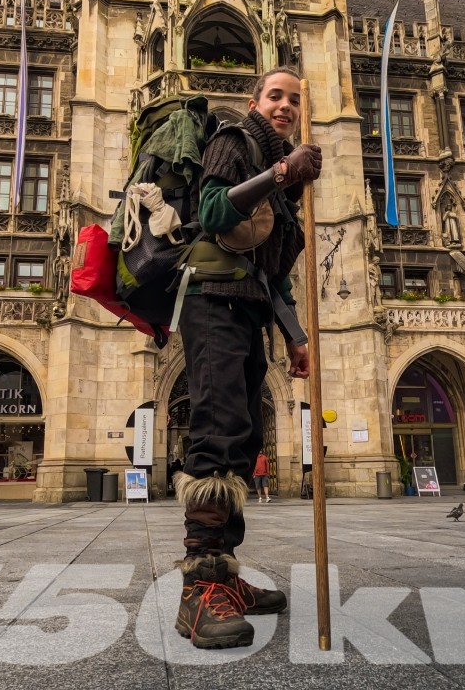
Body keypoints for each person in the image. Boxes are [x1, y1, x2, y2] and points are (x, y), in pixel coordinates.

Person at [172, 67, 317, 650]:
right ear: (254, 101)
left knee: (244, 437)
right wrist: (280, 171)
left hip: (249, 308)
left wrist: (296, 335)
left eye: (294, 100)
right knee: (216, 431)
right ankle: (199, 592)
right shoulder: (234, 140)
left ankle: (225, 575)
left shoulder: (285, 178)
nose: (285, 106)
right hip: (211, 301)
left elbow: (272, 272)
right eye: (276, 96)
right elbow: (212, 214)